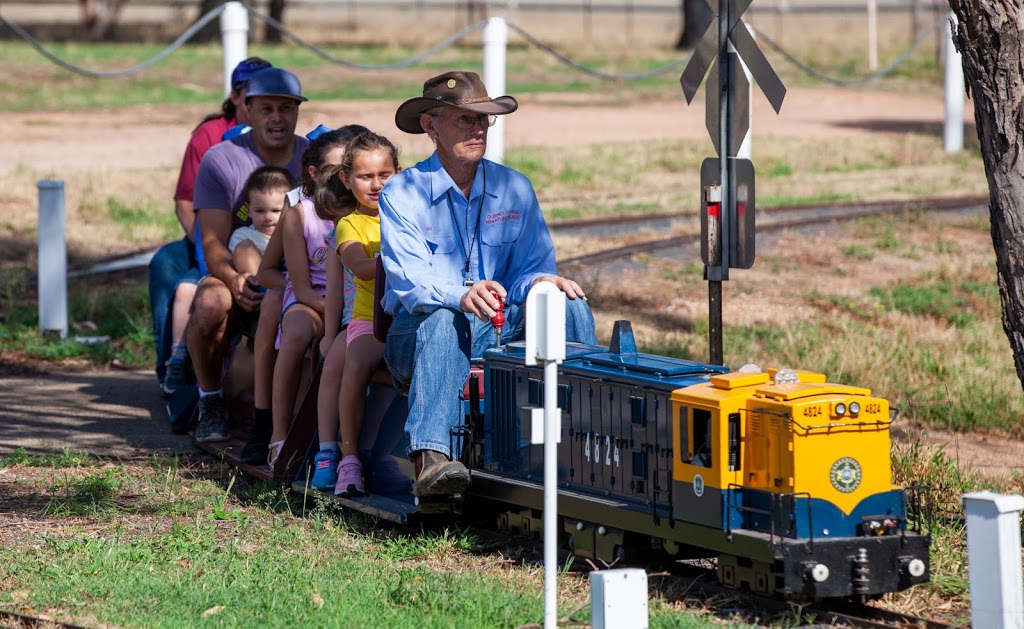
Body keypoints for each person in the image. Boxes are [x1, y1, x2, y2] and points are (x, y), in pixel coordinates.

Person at [378, 71, 597, 498]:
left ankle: (583, 437)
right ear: (430, 125)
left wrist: (542, 281)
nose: (478, 129)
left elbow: (529, 269)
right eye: (465, 119)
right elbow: (410, 283)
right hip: (419, 333)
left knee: (567, 303)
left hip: (495, 325)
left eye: (484, 120)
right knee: (445, 319)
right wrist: (461, 295)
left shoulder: (514, 186)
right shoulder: (402, 192)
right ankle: (431, 459)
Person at [187, 67, 309, 444]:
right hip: (243, 267)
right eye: (267, 108)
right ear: (248, 109)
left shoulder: (311, 157)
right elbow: (212, 242)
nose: (277, 118)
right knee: (209, 302)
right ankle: (210, 399)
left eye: (286, 109)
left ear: (297, 111)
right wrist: (235, 280)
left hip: (301, 274)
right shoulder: (222, 160)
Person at [148, 57, 272, 393]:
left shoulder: (284, 140)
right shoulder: (212, 134)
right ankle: (171, 367)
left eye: (278, 102)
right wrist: (205, 242)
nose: (272, 111)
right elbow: (185, 201)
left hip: (262, 239)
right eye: (256, 95)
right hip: (208, 233)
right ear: (237, 97)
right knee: (166, 265)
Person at [318, 131, 408, 497]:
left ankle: (400, 453)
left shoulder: (411, 215)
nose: (376, 185)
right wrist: (408, 259)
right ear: (346, 179)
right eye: (365, 177)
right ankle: (349, 456)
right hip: (372, 319)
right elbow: (360, 264)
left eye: (384, 175)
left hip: (411, 315)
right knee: (355, 364)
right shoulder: (350, 225)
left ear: (398, 173)